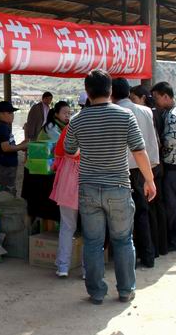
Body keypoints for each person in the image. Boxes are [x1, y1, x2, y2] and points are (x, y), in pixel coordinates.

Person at [64, 69, 156, 305]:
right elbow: (139, 150)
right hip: (118, 187)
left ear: (87, 92)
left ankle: (96, 292)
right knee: (123, 240)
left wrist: (87, 148)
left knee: (93, 243)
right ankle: (125, 290)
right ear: (110, 91)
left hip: (89, 189)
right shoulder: (125, 116)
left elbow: (69, 150)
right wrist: (149, 180)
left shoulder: (77, 120)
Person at [113, 78, 159, 268]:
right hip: (143, 168)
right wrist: (151, 171)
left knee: (121, 216)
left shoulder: (116, 113)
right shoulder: (145, 111)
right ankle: (147, 255)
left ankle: (126, 259)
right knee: (142, 212)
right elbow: (151, 140)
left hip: (121, 169)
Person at [151, 81, 176, 252]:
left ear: (166, 96)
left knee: (175, 204)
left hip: (175, 165)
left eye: (157, 98)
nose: (155, 102)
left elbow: (168, 142)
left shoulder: (173, 115)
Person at [131, 84, 168, 256]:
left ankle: (150, 250)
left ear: (142, 98)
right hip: (154, 164)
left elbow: (141, 148)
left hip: (146, 167)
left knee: (145, 210)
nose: (132, 102)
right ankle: (158, 248)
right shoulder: (154, 112)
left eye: (134, 99)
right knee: (154, 208)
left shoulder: (144, 113)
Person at [22, 102, 69, 226]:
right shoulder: (51, 127)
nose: (67, 116)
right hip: (36, 171)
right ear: (56, 114)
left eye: (69, 113)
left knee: (37, 206)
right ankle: (29, 233)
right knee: (34, 205)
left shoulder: (62, 126)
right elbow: (63, 146)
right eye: (65, 113)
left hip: (45, 170)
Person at [49, 100, 81, 278]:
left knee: (67, 226)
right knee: (92, 229)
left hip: (68, 181)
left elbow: (58, 153)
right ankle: (87, 269)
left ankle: (62, 266)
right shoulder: (100, 126)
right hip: (90, 179)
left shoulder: (71, 127)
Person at [0, 101, 27, 195]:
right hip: (5, 167)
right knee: (7, 194)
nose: (12, 115)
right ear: (1, 114)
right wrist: (22, 146)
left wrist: (21, 144)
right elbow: (6, 148)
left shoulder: (5, 126)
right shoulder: (2, 127)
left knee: (9, 191)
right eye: (10, 113)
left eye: (13, 113)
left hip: (7, 165)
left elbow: (10, 145)